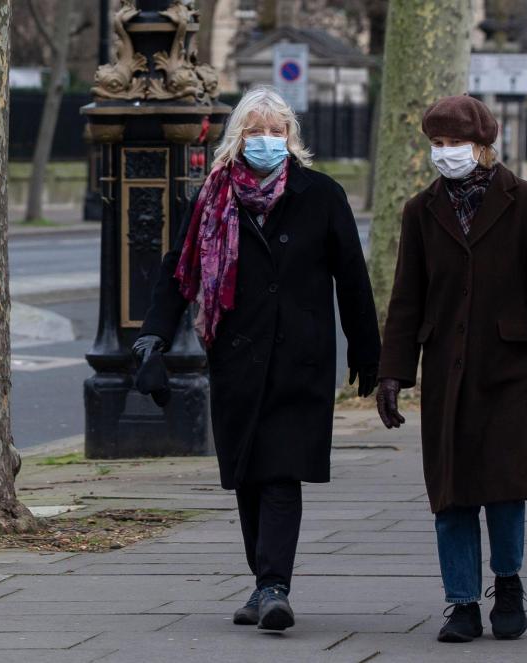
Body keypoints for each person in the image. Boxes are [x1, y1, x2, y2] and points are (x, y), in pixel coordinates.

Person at [133, 86, 381, 631]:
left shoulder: (321, 194)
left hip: (301, 359)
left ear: (291, 138)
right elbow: (180, 275)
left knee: (281, 473)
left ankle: (274, 585)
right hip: (236, 357)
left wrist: (369, 352)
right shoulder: (211, 199)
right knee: (247, 473)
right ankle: (262, 581)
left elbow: (353, 280)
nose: (267, 140)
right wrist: (152, 340)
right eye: (255, 130)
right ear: (237, 137)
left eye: (277, 131)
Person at [375, 95, 527, 643]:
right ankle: (461, 601)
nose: (444, 154)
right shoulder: (421, 211)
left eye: (455, 144)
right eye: (436, 145)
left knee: (504, 484)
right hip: (446, 366)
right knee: (450, 488)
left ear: (484, 146)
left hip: (509, 369)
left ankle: (507, 582)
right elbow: (406, 298)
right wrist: (392, 372)